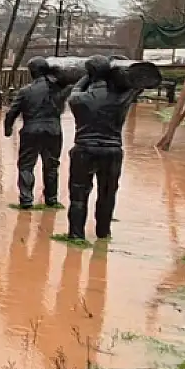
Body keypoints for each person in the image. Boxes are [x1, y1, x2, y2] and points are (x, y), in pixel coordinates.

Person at [65, 56, 142, 240]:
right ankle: (103, 232)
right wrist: (117, 67)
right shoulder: (122, 97)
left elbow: (76, 89)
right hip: (112, 150)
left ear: (89, 75)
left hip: (84, 149)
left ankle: (76, 235)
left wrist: (88, 76)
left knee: (78, 194)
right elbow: (137, 82)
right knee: (107, 193)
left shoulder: (78, 98)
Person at [2, 57, 66, 209]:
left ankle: (26, 200)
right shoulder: (58, 89)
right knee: (51, 166)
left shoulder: (26, 91)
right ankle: (51, 199)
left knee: (26, 165)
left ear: (32, 72)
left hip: (31, 130)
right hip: (53, 130)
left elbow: (12, 112)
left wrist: (8, 129)